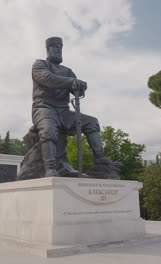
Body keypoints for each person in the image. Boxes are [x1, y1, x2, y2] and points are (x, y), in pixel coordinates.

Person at [31, 36, 119, 178]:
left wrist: (81, 87)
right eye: (55, 48)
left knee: (92, 122)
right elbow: (48, 79)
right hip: (44, 107)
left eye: (61, 48)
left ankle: (100, 158)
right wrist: (72, 81)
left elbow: (75, 89)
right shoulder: (39, 65)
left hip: (63, 111)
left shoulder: (67, 71)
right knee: (48, 130)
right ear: (48, 50)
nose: (59, 50)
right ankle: (50, 168)